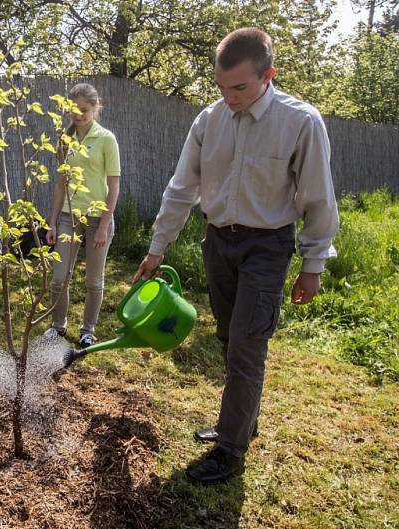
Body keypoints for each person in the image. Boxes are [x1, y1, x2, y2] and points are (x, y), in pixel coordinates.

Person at [133, 28, 339, 484]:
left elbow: (318, 198)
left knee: (248, 343)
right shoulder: (209, 120)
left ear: (268, 75)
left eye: (239, 87)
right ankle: (241, 421)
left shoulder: (300, 122)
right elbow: (181, 187)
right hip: (218, 242)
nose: (228, 97)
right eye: (221, 87)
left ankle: (230, 447)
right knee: (229, 338)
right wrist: (157, 247)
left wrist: (312, 265)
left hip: (268, 246)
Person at [44, 83, 121, 349]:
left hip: (98, 218)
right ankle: (58, 326)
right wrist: (52, 222)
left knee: (93, 281)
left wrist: (104, 224)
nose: (78, 115)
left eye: (84, 110)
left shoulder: (106, 139)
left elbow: (114, 185)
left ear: (96, 107)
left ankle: (88, 331)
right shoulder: (65, 140)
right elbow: (60, 185)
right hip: (68, 216)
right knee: (58, 277)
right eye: (73, 110)